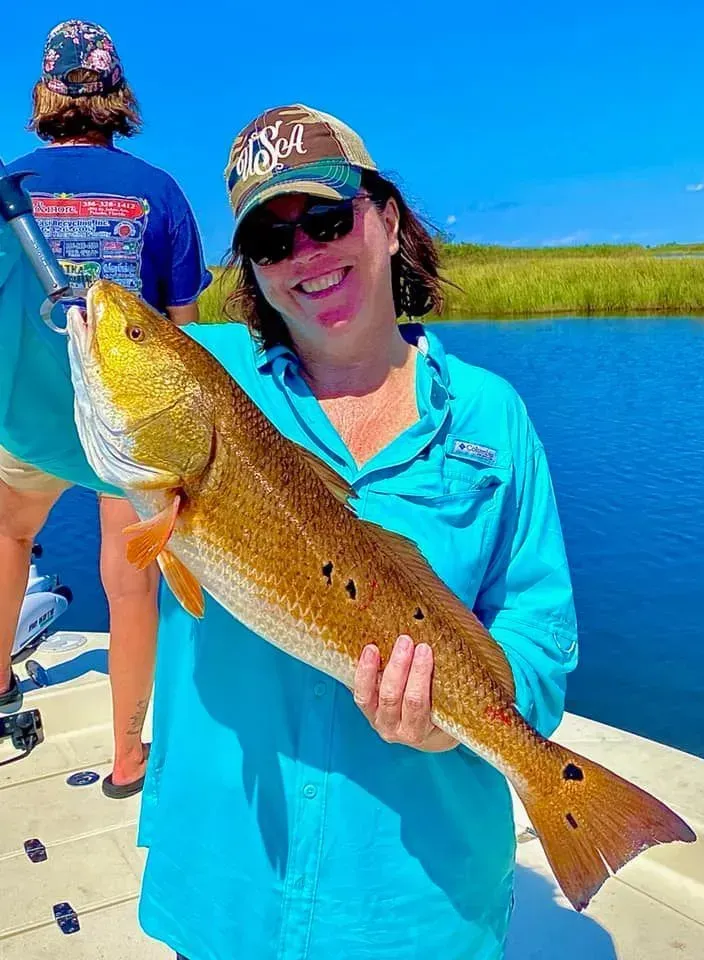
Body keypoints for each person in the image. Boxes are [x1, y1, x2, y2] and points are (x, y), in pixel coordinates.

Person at [1, 104, 578, 958]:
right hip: (229, 886)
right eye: (271, 243)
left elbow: (540, 627)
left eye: (327, 218)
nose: (304, 253)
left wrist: (464, 716)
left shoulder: (493, 416)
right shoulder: (214, 376)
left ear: (386, 220)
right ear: (254, 272)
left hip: (418, 901)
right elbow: (30, 399)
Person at [0, 19, 211, 801]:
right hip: (125, 439)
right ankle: (127, 760)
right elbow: (184, 343)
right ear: (118, 95)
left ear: (44, 93)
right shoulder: (159, 194)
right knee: (129, 586)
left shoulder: (7, 188)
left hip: (24, 424)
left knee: (9, 537)